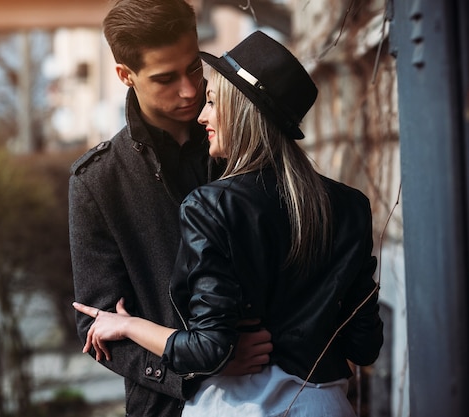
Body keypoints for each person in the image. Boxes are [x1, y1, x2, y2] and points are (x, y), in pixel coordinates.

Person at [73, 30, 384, 416]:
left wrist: (130, 326)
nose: (200, 109)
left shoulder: (211, 204)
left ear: (241, 112)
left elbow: (209, 347)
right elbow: (364, 344)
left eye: (211, 100)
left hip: (238, 405)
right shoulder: (351, 206)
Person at [68, 1, 273, 416]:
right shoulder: (96, 180)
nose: (190, 89)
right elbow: (96, 323)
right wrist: (198, 366)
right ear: (125, 75)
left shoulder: (246, 142)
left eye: (194, 67)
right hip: (166, 407)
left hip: (274, 388)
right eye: (165, 78)